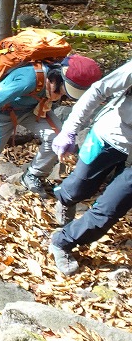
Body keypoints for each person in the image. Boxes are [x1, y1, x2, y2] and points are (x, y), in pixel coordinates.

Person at [0, 54, 102, 195]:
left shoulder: (57, 77)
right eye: (63, 91)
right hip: (2, 112)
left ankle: (33, 175)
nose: (62, 95)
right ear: (57, 77)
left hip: (32, 109)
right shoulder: (29, 80)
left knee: (58, 138)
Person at [48, 56, 132, 275]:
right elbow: (99, 90)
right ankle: (66, 200)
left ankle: (63, 242)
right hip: (110, 135)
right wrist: (70, 130)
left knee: (110, 209)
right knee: (80, 185)